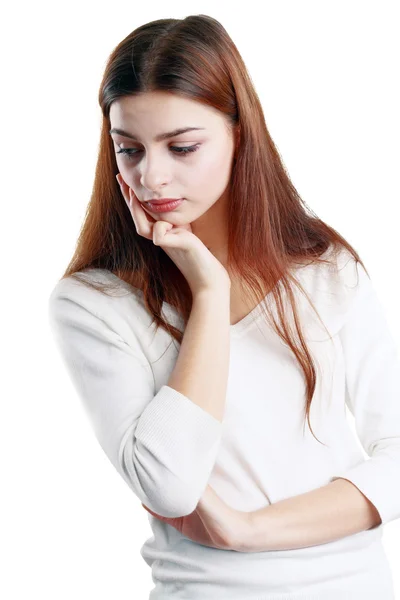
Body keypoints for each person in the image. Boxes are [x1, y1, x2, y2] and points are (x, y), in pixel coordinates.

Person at [47, 14, 399, 599]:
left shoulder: (324, 266)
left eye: (182, 146)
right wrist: (207, 294)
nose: (151, 175)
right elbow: (170, 487)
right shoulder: (93, 303)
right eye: (128, 149)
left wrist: (249, 532)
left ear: (241, 133)